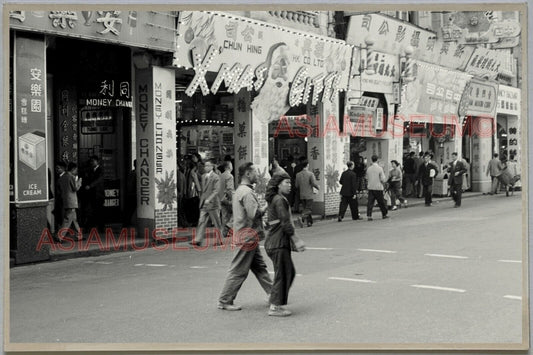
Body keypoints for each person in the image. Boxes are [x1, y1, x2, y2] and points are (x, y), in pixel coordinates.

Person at [217, 162, 273, 311]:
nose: (256, 175)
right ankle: (225, 300)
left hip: (248, 235)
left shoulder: (240, 190)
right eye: (254, 172)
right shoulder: (247, 193)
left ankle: (274, 294)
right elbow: (253, 214)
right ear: (247, 174)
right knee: (238, 270)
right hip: (246, 236)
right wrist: (267, 205)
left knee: (260, 267)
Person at [264, 171, 304, 317]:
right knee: (284, 273)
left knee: (286, 272)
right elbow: (285, 222)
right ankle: (275, 306)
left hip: (275, 242)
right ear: (278, 185)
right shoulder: (279, 200)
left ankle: (274, 299)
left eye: (290, 183)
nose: (290, 185)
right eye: (286, 183)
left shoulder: (276, 198)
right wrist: (297, 240)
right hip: (278, 242)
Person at [192, 160, 222, 247]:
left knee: (216, 223)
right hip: (204, 204)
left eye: (208, 166)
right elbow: (203, 190)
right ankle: (198, 239)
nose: (206, 167)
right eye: (205, 166)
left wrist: (209, 199)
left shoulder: (216, 177)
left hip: (213, 203)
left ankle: (219, 240)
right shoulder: (203, 176)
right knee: (201, 221)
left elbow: (216, 190)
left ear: (212, 167)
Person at [58, 162, 83, 241]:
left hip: (65, 200)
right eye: (76, 170)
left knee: (74, 219)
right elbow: (75, 188)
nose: (76, 171)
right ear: (73, 169)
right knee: (68, 219)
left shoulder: (62, 177)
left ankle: (79, 236)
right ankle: (59, 236)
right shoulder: (71, 177)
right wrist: (79, 182)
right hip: (71, 201)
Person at [83, 155, 105, 232]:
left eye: (93, 161)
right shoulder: (90, 170)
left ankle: (101, 228)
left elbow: (98, 180)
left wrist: (90, 186)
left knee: (99, 211)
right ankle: (89, 227)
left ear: (97, 161)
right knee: (91, 210)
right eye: (91, 161)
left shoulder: (101, 170)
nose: (91, 163)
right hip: (91, 194)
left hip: (99, 194)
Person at [295, 160, 319, 227]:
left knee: (306, 208)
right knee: (309, 209)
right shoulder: (310, 174)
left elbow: (296, 185)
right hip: (309, 194)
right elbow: (313, 183)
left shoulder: (298, 175)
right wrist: (317, 187)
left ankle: (309, 222)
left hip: (302, 195)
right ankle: (302, 217)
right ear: (307, 165)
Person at [365, 155, 388, 221]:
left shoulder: (369, 168)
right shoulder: (380, 168)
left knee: (370, 202)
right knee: (381, 202)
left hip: (370, 187)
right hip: (378, 187)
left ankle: (369, 215)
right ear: (377, 160)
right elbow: (383, 179)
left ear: (372, 160)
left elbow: (366, 178)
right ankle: (384, 214)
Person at [218, 160, 235, 238]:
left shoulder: (221, 175)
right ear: (228, 167)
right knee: (236, 213)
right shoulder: (230, 176)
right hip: (227, 198)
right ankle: (229, 226)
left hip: (221, 198)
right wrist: (232, 199)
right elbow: (230, 189)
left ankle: (225, 233)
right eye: (231, 165)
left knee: (225, 216)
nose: (232, 167)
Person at [184, 158, 201, 226]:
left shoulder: (187, 171)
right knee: (194, 208)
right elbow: (196, 182)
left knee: (189, 208)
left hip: (188, 193)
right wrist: (199, 191)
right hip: (193, 193)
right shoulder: (193, 173)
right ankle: (195, 221)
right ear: (195, 167)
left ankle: (190, 221)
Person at [53, 161, 67, 232]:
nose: (56, 170)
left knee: (63, 217)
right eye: (56, 168)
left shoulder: (65, 177)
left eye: (58, 168)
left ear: (63, 169)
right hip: (60, 200)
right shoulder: (58, 177)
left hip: (63, 201)